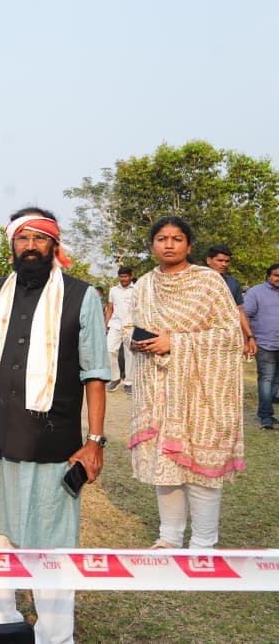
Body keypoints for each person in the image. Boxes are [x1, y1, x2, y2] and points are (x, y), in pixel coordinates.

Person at [0, 208, 109, 643]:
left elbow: (95, 373)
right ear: (11, 245)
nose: (30, 246)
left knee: (52, 552)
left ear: (55, 245)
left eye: (40, 238)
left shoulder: (81, 296)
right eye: (22, 239)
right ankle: (2, 630)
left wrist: (95, 441)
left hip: (54, 446)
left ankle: (55, 637)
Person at [130, 217, 245, 548]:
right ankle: (169, 537)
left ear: (189, 246)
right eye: (162, 238)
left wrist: (175, 343)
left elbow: (228, 334)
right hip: (158, 389)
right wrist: (135, 341)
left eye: (177, 239)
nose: (169, 244)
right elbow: (128, 327)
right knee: (163, 464)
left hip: (201, 391)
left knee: (200, 467)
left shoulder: (209, 282)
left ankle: (204, 542)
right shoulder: (144, 286)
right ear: (152, 245)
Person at [205, 244, 258, 357]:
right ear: (209, 260)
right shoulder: (196, 280)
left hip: (227, 340)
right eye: (220, 260)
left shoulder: (233, 283)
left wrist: (249, 337)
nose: (224, 264)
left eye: (227, 261)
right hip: (201, 339)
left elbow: (239, 312)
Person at [244, 263, 279, 429]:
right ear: (268, 276)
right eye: (276, 275)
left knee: (276, 381)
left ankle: (267, 408)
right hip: (265, 343)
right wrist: (248, 339)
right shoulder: (256, 292)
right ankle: (266, 416)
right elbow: (245, 316)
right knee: (266, 378)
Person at [104, 266, 135, 392]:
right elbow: (110, 308)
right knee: (109, 350)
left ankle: (129, 382)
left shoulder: (136, 289)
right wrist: (105, 324)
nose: (123, 279)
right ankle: (115, 378)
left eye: (126, 276)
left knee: (130, 354)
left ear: (131, 276)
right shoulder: (113, 290)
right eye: (121, 276)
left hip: (131, 325)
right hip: (115, 324)